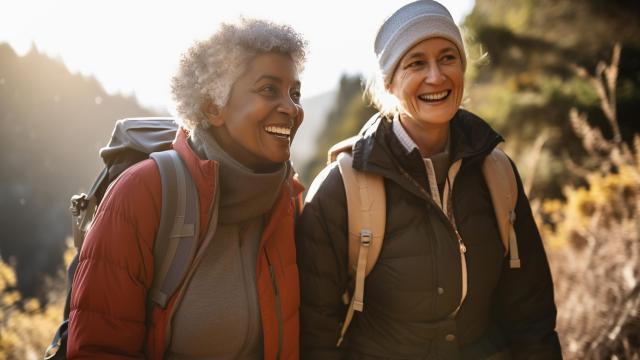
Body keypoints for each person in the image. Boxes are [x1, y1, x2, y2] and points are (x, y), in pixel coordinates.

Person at [296, 1, 562, 359]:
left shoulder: (496, 171)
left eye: (448, 58)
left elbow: (531, 316)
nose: (436, 76)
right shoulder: (340, 188)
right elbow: (317, 336)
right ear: (389, 81)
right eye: (416, 63)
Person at [67, 18, 307, 359]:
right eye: (269, 89)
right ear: (213, 107)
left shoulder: (288, 200)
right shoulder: (142, 194)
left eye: (294, 93)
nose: (292, 108)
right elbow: (99, 349)